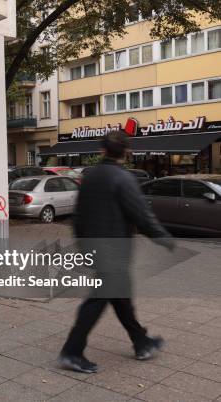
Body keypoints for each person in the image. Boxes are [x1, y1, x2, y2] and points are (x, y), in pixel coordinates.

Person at [58, 130, 175, 374]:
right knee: (98, 300)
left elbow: (78, 215)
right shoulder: (123, 178)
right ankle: (72, 351)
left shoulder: (89, 177)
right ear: (126, 152)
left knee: (121, 298)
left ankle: (141, 342)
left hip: (94, 247)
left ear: (102, 151)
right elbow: (141, 214)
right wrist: (163, 238)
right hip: (114, 250)